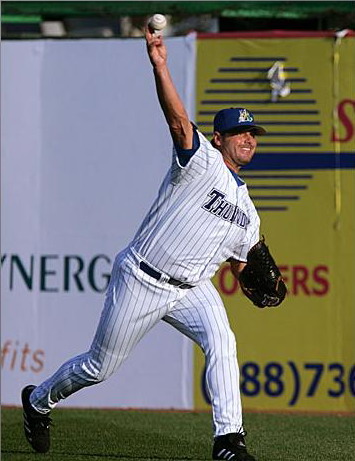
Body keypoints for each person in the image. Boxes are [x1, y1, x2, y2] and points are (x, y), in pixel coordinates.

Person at [21, 27, 267, 461]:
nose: (248, 138)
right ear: (219, 139)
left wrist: (258, 284)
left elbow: (244, 267)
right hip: (142, 278)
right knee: (99, 367)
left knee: (223, 340)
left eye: (252, 133)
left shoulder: (249, 213)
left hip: (192, 290)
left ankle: (229, 442)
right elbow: (176, 119)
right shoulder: (201, 162)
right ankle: (39, 401)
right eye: (239, 132)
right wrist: (161, 66)